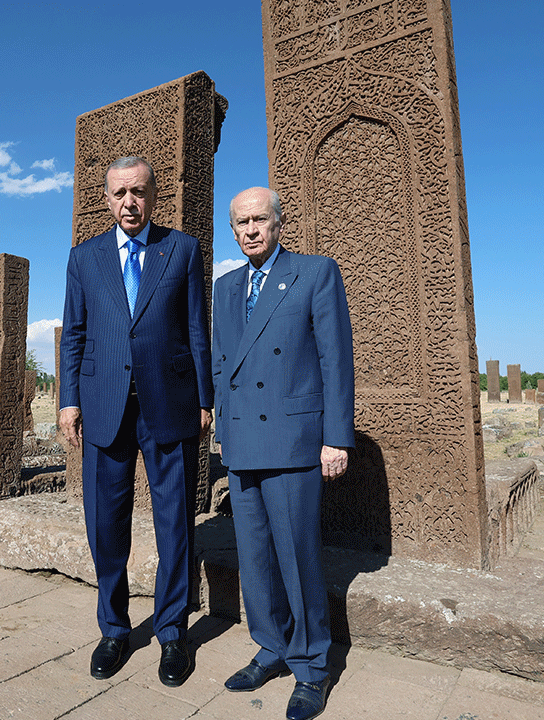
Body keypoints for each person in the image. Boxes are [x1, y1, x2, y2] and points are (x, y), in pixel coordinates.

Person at [58, 156, 213, 687]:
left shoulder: (182, 249)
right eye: (120, 192)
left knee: (174, 521)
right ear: (106, 199)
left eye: (139, 192)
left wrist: (205, 398)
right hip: (103, 405)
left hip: (168, 402)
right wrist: (68, 400)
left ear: (153, 197)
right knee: (106, 522)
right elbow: (74, 335)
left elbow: (197, 327)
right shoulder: (85, 258)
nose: (130, 202)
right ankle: (114, 628)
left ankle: (172, 632)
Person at [211, 187, 355, 720]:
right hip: (243, 441)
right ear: (233, 230)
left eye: (259, 220)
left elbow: (336, 360)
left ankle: (312, 666)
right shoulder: (226, 287)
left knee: (298, 558)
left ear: (278, 222)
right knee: (254, 557)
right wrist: (222, 428)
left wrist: (336, 437)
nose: (251, 229)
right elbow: (223, 364)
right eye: (241, 222)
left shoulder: (315, 273)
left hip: (294, 441)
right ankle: (270, 646)